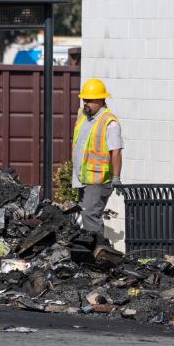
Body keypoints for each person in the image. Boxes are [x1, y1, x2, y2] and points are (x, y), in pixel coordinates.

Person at [72, 78, 123, 248]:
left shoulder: (110, 123)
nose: (85, 103)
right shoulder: (84, 116)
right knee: (84, 215)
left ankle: (99, 252)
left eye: (89, 100)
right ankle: (90, 250)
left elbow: (115, 151)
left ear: (100, 100)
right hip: (82, 178)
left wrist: (116, 177)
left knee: (90, 216)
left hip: (98, 180)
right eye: (84, 99)